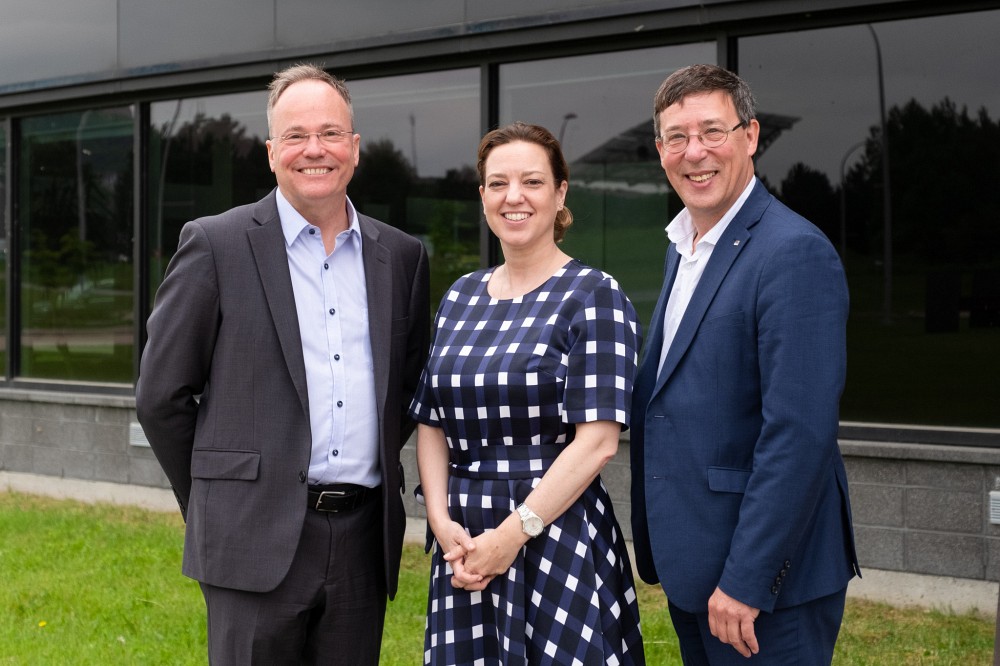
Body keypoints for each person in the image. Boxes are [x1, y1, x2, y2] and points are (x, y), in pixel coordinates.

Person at [135, 63, 430, 665]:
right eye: (296, 135)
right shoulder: (215, 244)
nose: (314, 149)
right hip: (249, 537)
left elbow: (406, 389)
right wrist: (218, 500)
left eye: (330, 133)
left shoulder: (401, 256)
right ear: (271, 153)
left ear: (354, 148)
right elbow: (161, 396)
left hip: (361, 540)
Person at [630, 64, 861, 665]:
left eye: (713, 131)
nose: (694, 152)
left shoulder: (793, 252)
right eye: (677, 137)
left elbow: (800, 434)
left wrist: (747, 580)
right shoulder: (684, 247)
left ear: (751, 136)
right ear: (660, 150)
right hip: (696, 567)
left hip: (763, 589)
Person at [409, 121, 645, 665]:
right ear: (483, 196)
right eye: (498, 183)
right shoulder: (460, 297)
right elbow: (431, 423)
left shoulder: (594, 296)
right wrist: (441, 522)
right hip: (465, 541)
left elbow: (598, 442)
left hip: (554, 532)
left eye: (532, 182)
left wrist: (512, 535)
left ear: (560, 193)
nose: (513, 196)